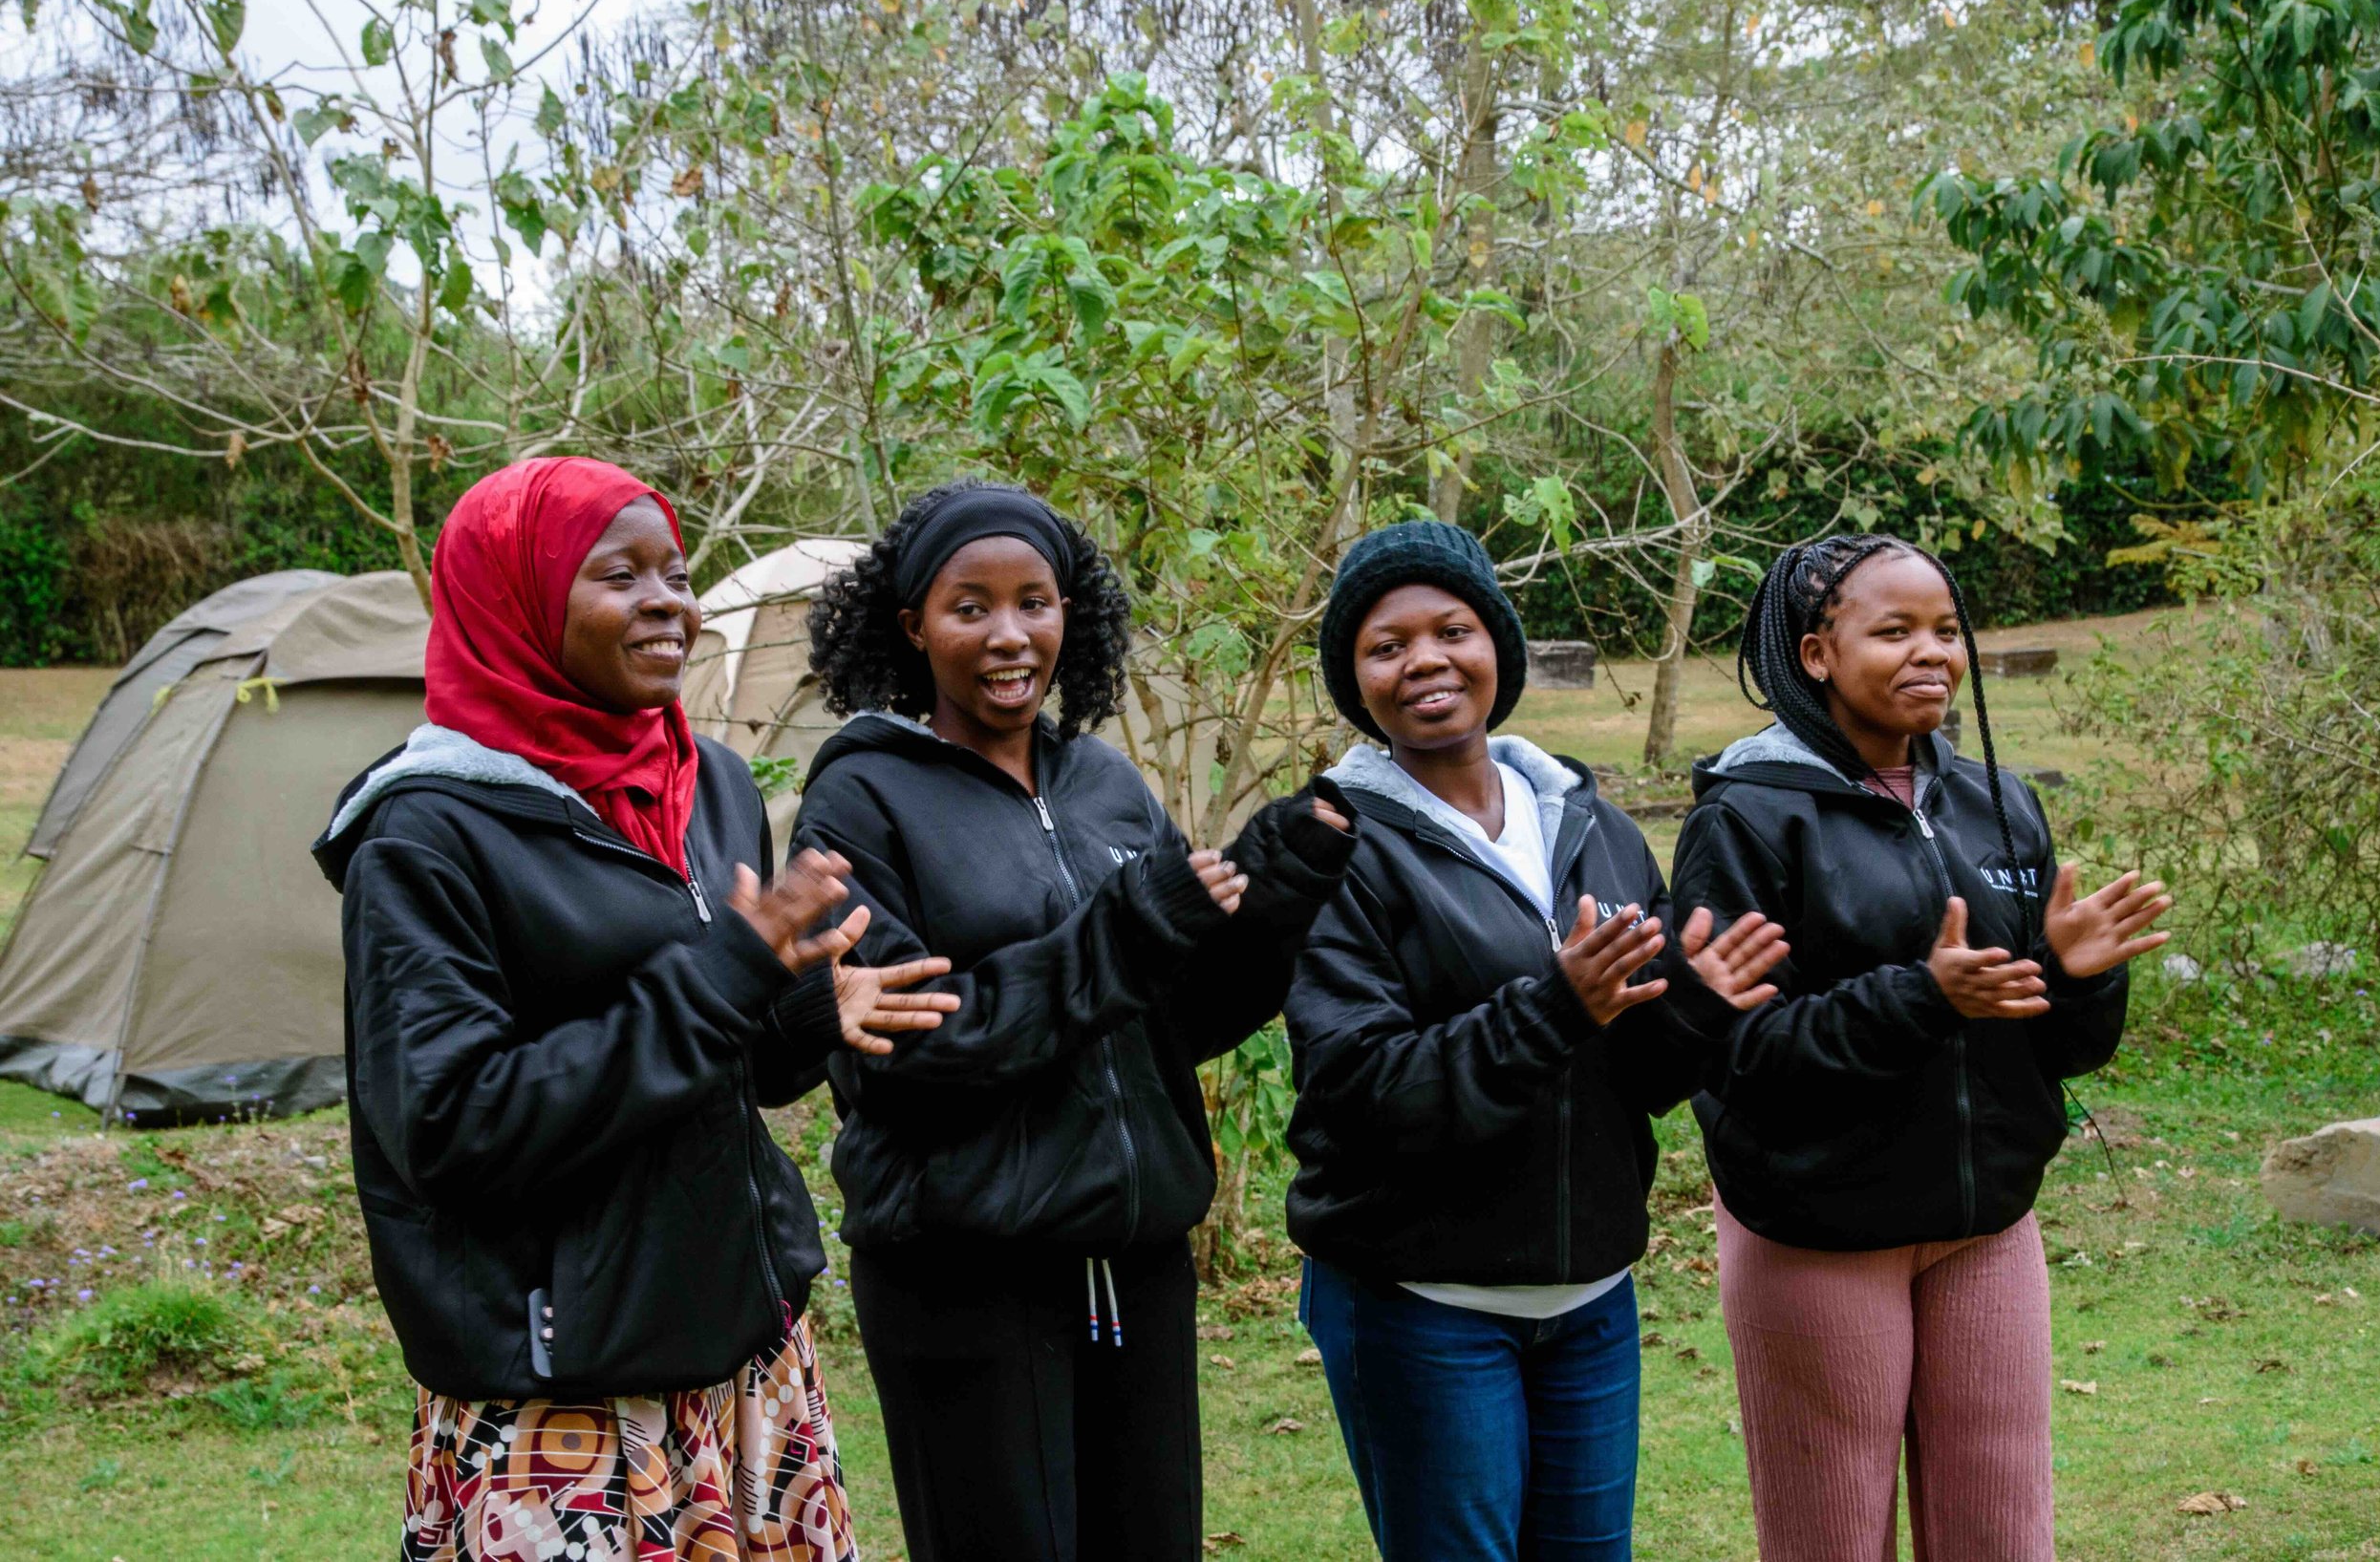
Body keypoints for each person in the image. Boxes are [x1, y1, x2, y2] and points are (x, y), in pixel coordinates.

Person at [314, 457, 957, 1562]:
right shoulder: (426, 838)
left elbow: (733, 1063)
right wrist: (721, 975)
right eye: (621, 574)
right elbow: (452, 1125)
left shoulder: (702, 778)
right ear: (514, 602)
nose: (671, 601)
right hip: (565, 1391)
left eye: (676, 570)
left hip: (739, 1351)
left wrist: (805, 999)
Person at [791, 480, 1359, 1562]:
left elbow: (1167, 1017)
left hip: (1134, 1261)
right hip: (965, 1273)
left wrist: (1274, 904)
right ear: (912, 625)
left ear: (1070, 614)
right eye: (972, 607)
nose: (1009, 635)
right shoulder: (860, 803)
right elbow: (907, 1052)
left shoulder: (1105, 785)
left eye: (1034, 602)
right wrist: (1129, 928)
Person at [1281, 520, 1790, 1562]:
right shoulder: (1333, 848)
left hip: (1591, 1302)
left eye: (1452, 629)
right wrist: (1554, 1005)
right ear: (1355, 679)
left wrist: (1693, 1007)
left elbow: (1634, 1071)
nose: (1425, 660)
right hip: (1423, 1306)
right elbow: (1360, 1087)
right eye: (1386, 645)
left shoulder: (1587, 822)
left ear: (1497, 648)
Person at [1671, 534, 2172, 1561]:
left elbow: (2057, 1052)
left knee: (2000, 1531)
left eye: (1946, 630)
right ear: (1816, 653)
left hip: (1984, 1223)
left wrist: (2076, 974)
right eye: (1892, 630)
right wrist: (1922, 997)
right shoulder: (1748, 819)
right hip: (1817, 1226)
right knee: (1833, 1537)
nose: (1931, 653)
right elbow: (1740, 1056)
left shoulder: (1997, 804)